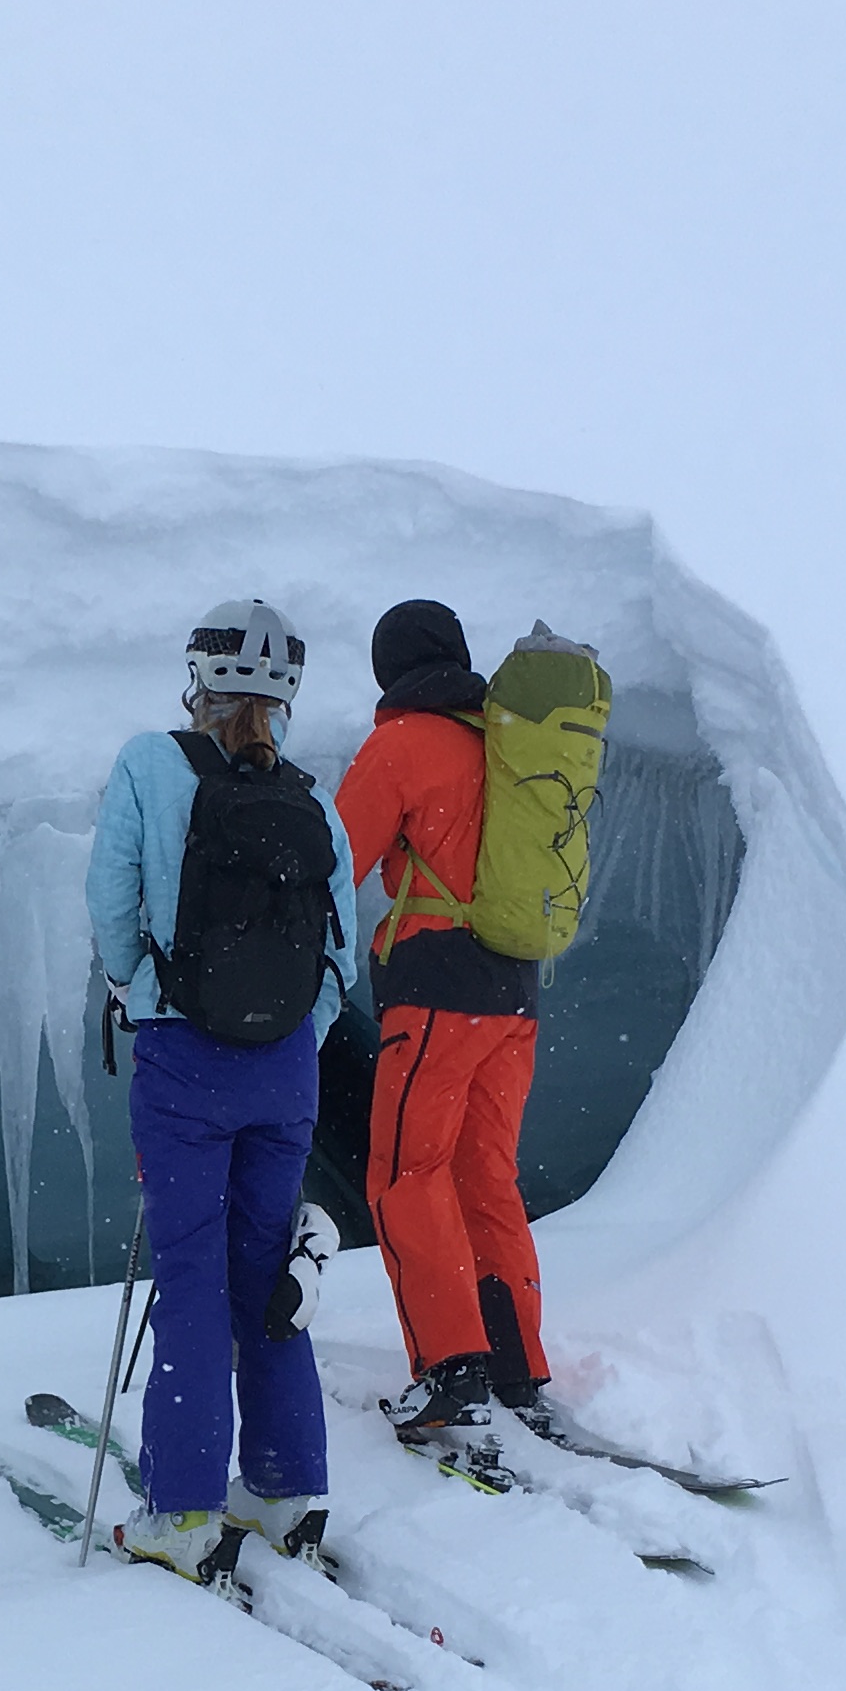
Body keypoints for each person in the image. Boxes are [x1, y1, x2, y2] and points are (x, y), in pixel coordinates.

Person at [84, 599, 366, 1580]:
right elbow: (341, 955)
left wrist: (144, 989)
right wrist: (290, 1041)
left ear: (197, 677)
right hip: (285, 1071)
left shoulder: (149, 764)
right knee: (265, 1276)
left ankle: (183, 1509)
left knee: (192, 1279)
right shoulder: (311, 798)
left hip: (183, 1057)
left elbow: (112, 902)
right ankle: (286, 1490)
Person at [335, 597, 552, 1453]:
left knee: (405, 1172)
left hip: (436, 993)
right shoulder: (507, 742)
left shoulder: (403, 744)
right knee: (486, 1176)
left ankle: (451, 1368)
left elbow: (334, 863)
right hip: (515, 994)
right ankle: (515, 1364)